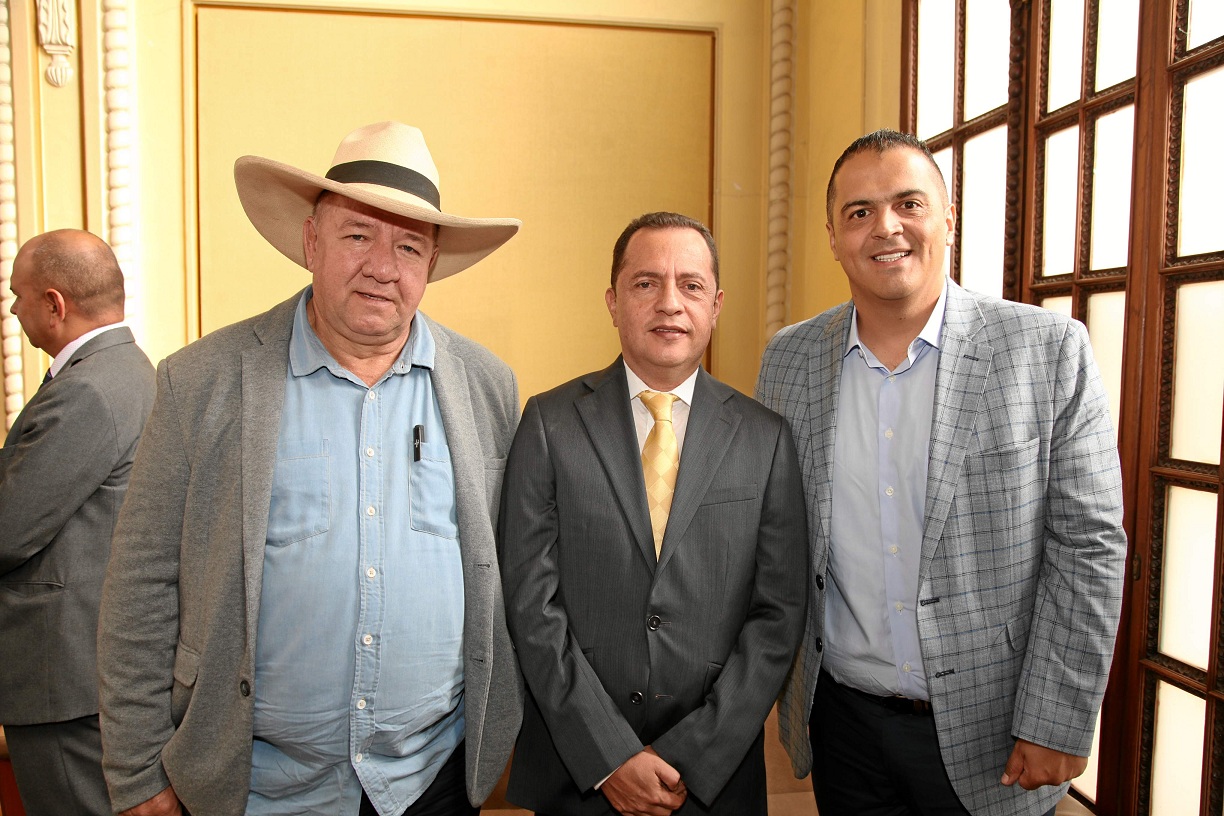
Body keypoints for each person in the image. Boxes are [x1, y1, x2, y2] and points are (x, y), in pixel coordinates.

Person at [97, 122, 524, 816]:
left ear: (432, 264)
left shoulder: (487, 387)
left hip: (432, 784)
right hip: (256, 791)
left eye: (409, 245)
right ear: (311, 243)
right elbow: (139, 587)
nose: (383, 266)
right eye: (358, 235)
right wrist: (139, 773)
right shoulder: (199, 382)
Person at [756, 129, 1127, 816]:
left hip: (996, 729)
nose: (885, 227)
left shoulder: (1045, 350)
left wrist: (1058, 716)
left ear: (947, 219)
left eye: (909, 203)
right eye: (859, 212)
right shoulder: (788, 359)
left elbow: (1090, 546)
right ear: (833, 236)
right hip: (843, 724)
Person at [500, 212, 808, 816]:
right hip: (578, 773)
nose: (670, 303)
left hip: (711, 782)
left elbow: (778, 614)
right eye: (646, 284)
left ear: (715, 305)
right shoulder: (548, 422)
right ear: (613, 302)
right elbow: (530, 602)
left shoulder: (765, 438)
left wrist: (693, 758)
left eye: (690, 285)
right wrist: (610, 755)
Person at [0, 229, 156, 816]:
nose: (13, 309)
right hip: (81, 673)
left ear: (54, 304)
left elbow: (8, 531)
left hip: (62, 679)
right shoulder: (122, 371)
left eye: (18, 295)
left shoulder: (88, 389)